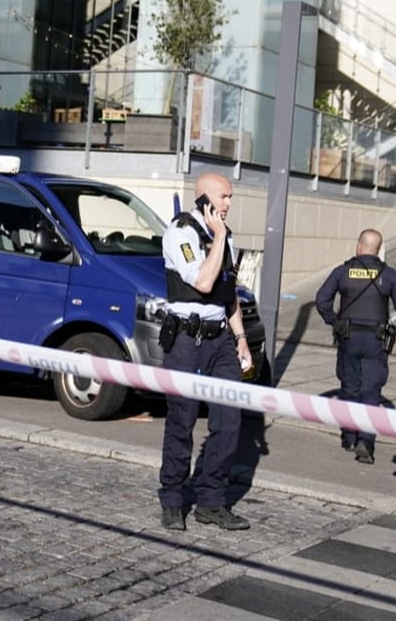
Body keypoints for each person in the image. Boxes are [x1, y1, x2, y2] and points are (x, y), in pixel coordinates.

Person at [157, 172, 252, 531]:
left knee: (229, 422)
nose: (228, 204)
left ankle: (212, 500)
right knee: (181, 421)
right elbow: (202, 281)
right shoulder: (180, 233)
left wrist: (241, 337)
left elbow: (228, 293)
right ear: (203, 198)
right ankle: (172, 498)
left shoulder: (223, 238)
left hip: (221, 341)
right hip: (185, 339)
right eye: (223, 197)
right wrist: (220, 238)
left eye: (230, 197)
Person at [315, 229, 396, 465]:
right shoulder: (387, 275)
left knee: (349, 387)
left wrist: (334, 321)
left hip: (348, 337)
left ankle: (348, 437)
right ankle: (366, 440)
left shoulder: (343, 271)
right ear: (378, 249)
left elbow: (321, 299)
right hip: (375, 341)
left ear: (359, 246)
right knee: (370, 391)